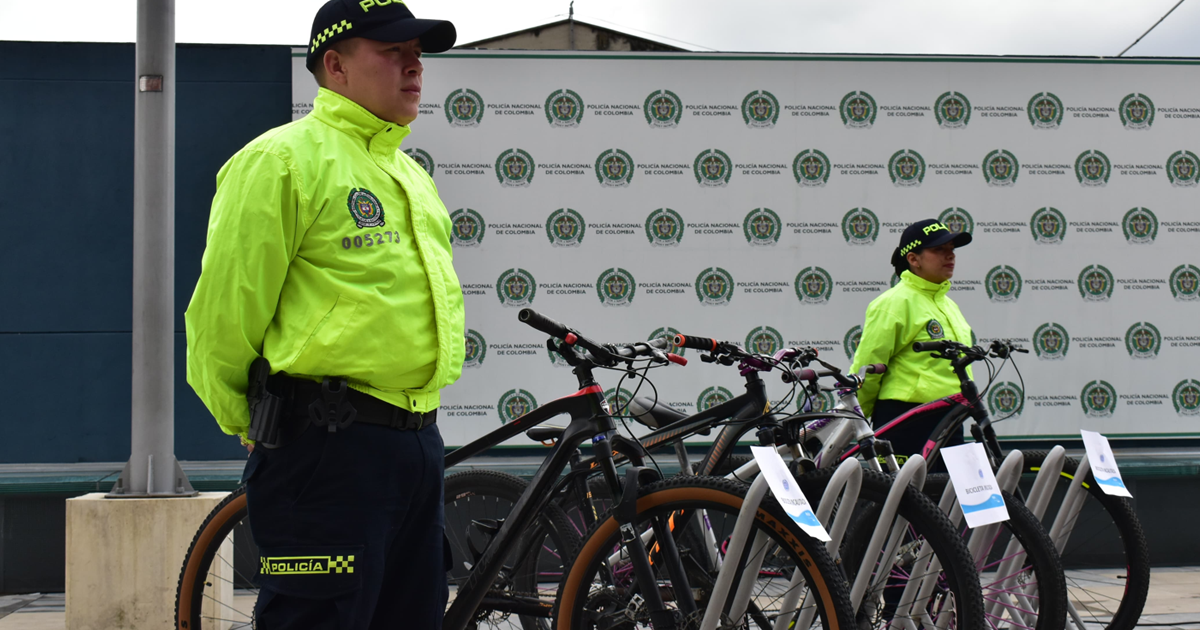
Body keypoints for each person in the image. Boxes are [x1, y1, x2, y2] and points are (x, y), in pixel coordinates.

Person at [184, 0, 463, 627]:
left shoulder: (409, 175)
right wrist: (252, 420)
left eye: (418, 53)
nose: (414, 65)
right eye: (393, 51)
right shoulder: (281, 160)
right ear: (334, 65)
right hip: (326, 448)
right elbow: (221, 319)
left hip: (417, 444)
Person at [849, 219, 974, 461]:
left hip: (950, 416)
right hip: (907, 419)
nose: (950, 256)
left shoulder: (948, 304)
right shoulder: (893, 303)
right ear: (913, 259)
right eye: (939, 250)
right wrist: (858, 423)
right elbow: (868, 368)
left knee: (953, 496)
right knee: (908, 498)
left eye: (951, 250)